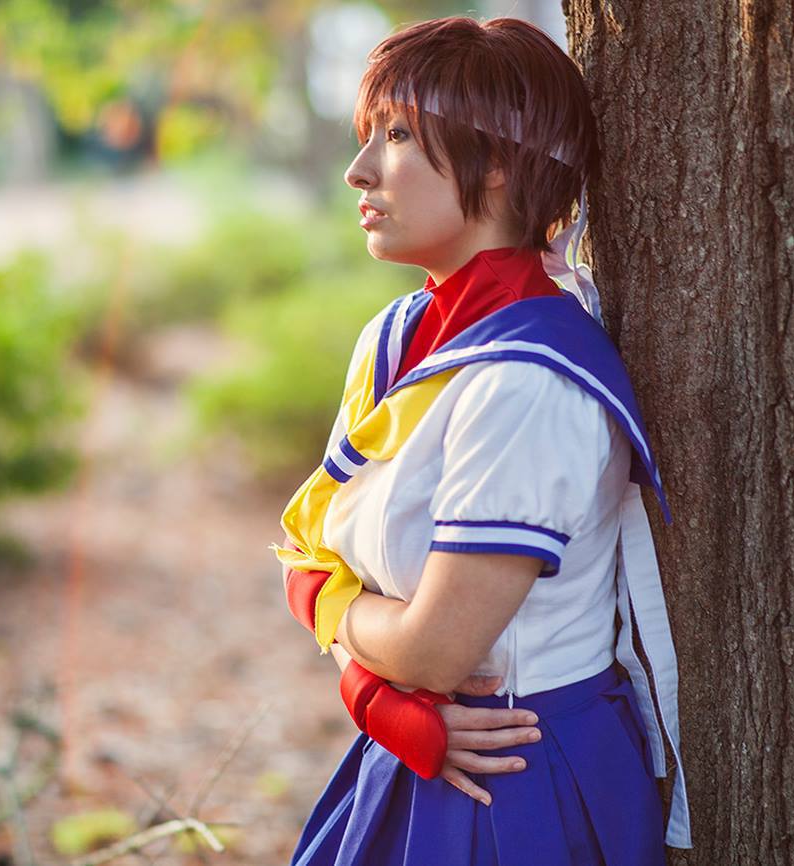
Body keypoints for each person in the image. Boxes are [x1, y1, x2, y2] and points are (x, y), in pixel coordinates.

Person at [268, 16, 692, 865]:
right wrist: (375, 697)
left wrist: (352, 640)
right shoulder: (396, 338)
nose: (359, 170)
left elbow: (435, 649)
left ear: (497, 162)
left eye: (397, 136)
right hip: (421, 746)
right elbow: (304, 557)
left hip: (517, 773)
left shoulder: (529, 380)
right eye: (368, 136)